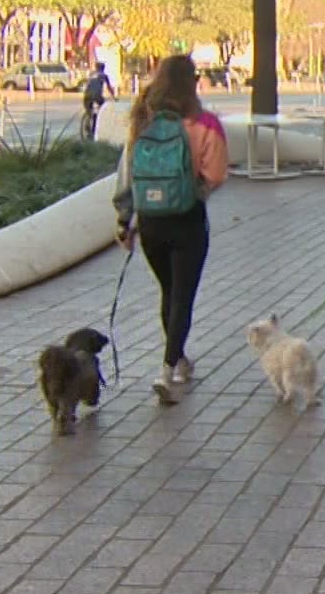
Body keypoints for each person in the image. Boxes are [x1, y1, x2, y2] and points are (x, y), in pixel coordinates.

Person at [111, 55, 229, 404]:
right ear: (193, 82)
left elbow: (126, 173)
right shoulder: (205, 123)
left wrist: (124, 219)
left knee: (169, 291)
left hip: (150, 221)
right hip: (187, 218)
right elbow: (217, 174)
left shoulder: (142, 118)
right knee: (183, 295)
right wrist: (197, 189)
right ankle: (169, 366)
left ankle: (177, 356)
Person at [81, 62, 114, 139]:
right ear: (103, 68)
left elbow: (88, 84)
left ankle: (88, 122)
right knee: (103, 107)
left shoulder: (91, 74)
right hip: (97, 96)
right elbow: (109, 88)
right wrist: (114, 97)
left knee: (89, 111)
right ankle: (97, 120)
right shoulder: (104, 76)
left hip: (87, 95)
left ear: (96, 68)